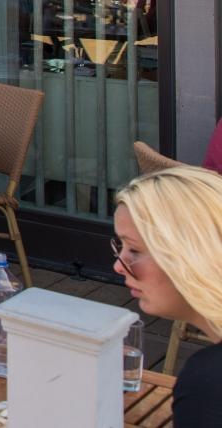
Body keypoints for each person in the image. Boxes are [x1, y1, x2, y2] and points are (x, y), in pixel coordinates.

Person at [111, 166, 222, 426]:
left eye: (134, 250)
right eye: (120, 246)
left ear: (191, 256)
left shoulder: (209, 383)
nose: (118, 265)